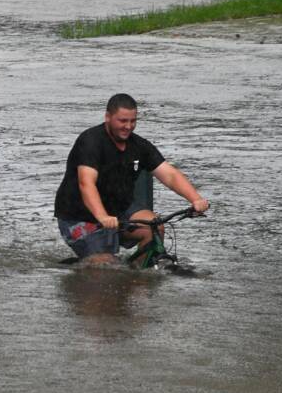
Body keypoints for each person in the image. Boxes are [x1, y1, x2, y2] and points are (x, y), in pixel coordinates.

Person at [54, 93, 210, 265]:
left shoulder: (138, 145)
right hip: (80, 216)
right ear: (108, 117)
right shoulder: (90, 142)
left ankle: (140, 279)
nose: (128, 126)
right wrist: (102, 216)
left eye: (133, 121)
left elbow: (169, 174)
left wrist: (195, 199)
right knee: (105, 266)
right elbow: (86, 183)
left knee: (154, 227)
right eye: (122, 121)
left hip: (119, 209)